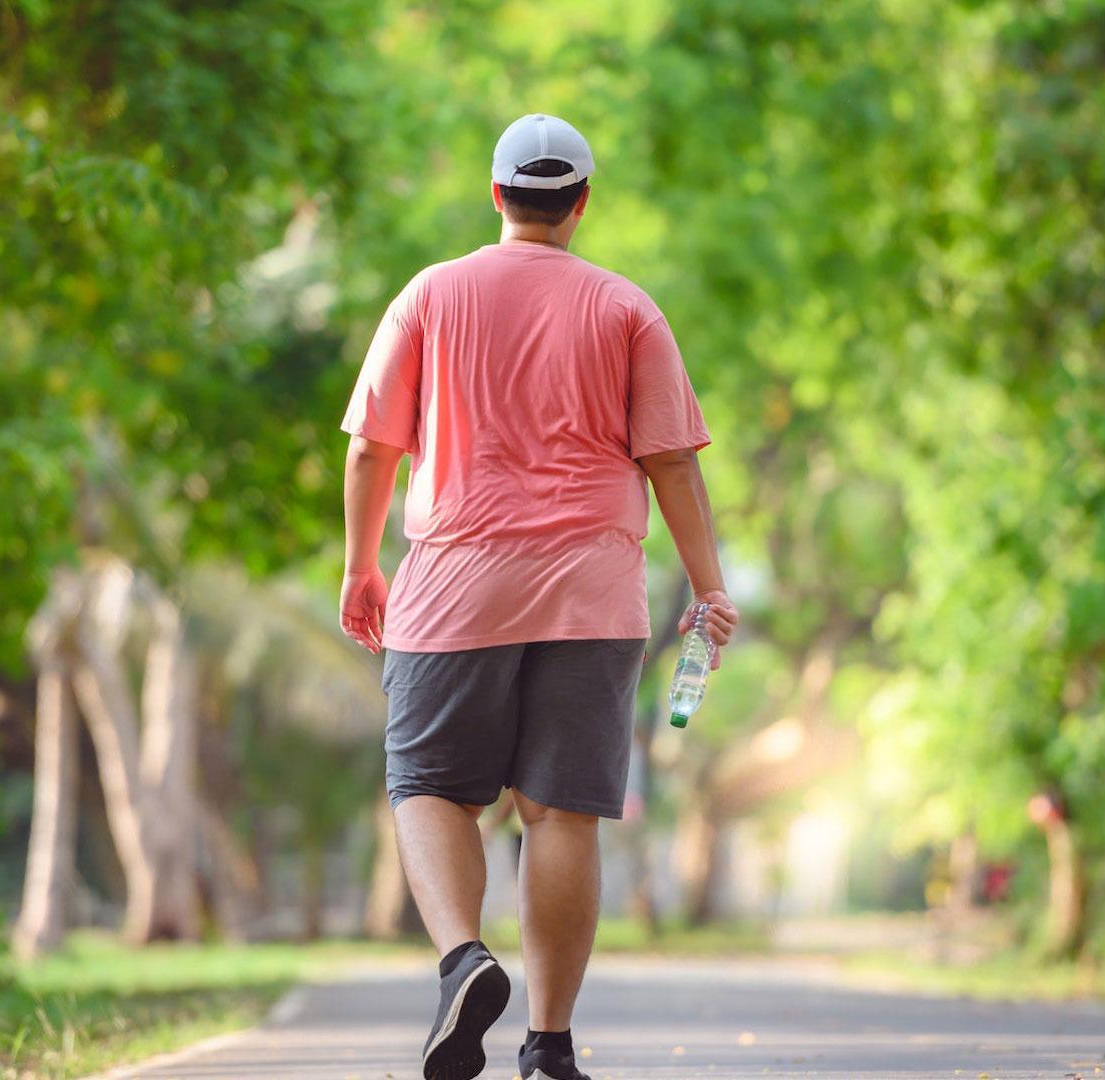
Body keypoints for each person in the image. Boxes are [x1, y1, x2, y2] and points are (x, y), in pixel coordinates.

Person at [338, 113, 739, 1080]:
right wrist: (710, 584)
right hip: (591, 594)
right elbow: (673, 462)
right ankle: (550, 1046)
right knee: (561, 813)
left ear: (497, 194)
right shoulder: (626, 308)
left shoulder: (430, 295)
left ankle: (464, 959)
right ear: (582, 204)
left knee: (429, 786)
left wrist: (360, 564)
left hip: (454, 587)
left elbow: (370, 447)